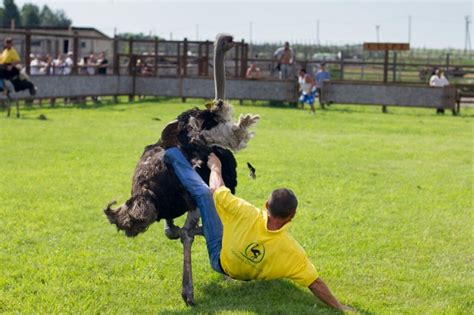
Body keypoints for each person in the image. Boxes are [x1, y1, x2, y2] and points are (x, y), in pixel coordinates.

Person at [163, 147, 354, 312]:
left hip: (219, 257)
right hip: (240, 270)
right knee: (225, 214)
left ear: (266, 205)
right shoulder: (292, 251)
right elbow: (315, 283)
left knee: (205, 195)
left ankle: (172, 153)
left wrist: (215, 166)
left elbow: (216, 188)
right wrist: (339, 307)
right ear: (292, 215)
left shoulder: (245, 211)